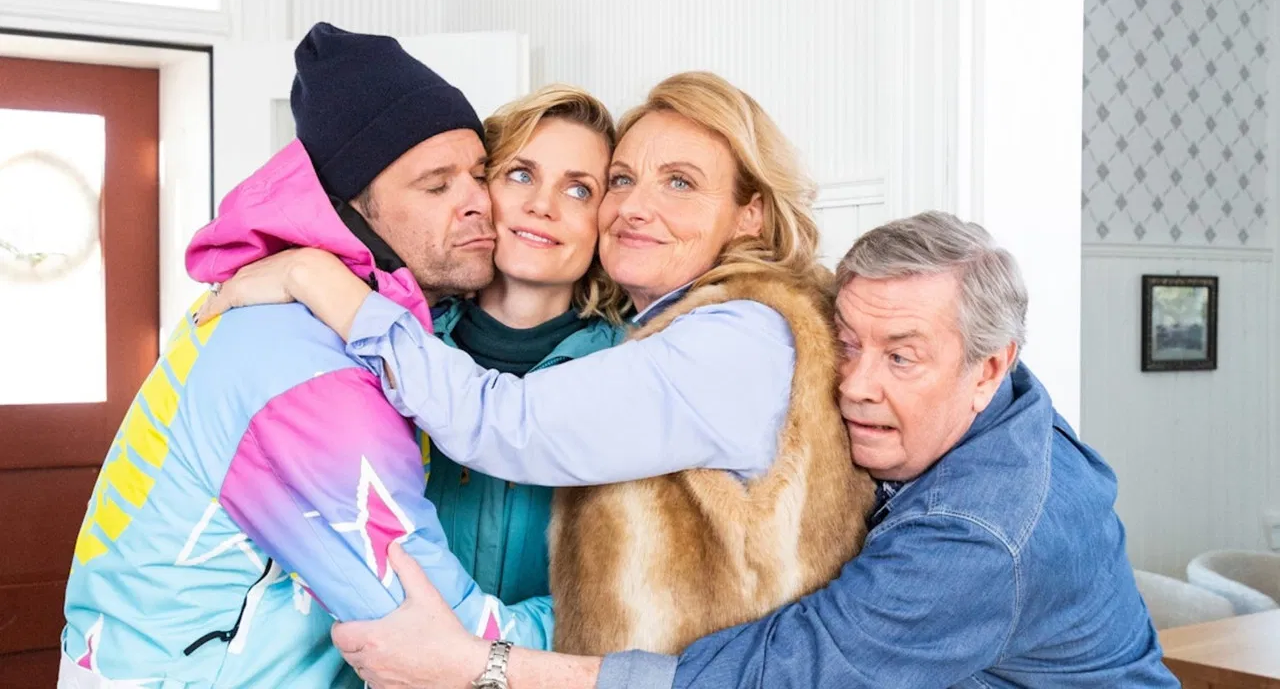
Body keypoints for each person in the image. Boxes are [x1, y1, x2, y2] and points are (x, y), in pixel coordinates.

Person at [305, 212, 1181, 688]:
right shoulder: (984, 403)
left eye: (902, 357)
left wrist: (479, 668)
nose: (855, 385)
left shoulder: (979, 534)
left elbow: (779, 678)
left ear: (989, 367)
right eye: (847, 345)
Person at [195, 71, 877, 669]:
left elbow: (508, 426)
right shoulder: (391, 346)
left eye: (582, 188)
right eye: (622, 181)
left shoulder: (705, 348)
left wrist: (317, 277)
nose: (631, 207)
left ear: (751, 213)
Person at [57, 23, 580, 687]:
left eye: (479, 174)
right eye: (436, 186)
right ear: (352, 209)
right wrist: (647, 618)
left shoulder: (293, 310)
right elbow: (449, 641)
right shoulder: (307, 375)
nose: (481, 203)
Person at [423, 83, 629, 637]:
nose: (543, 205)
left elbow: (634, 590)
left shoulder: (634, 370)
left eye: (579, 190)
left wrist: (483, 652)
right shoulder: (405, 346)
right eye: (520, 175)